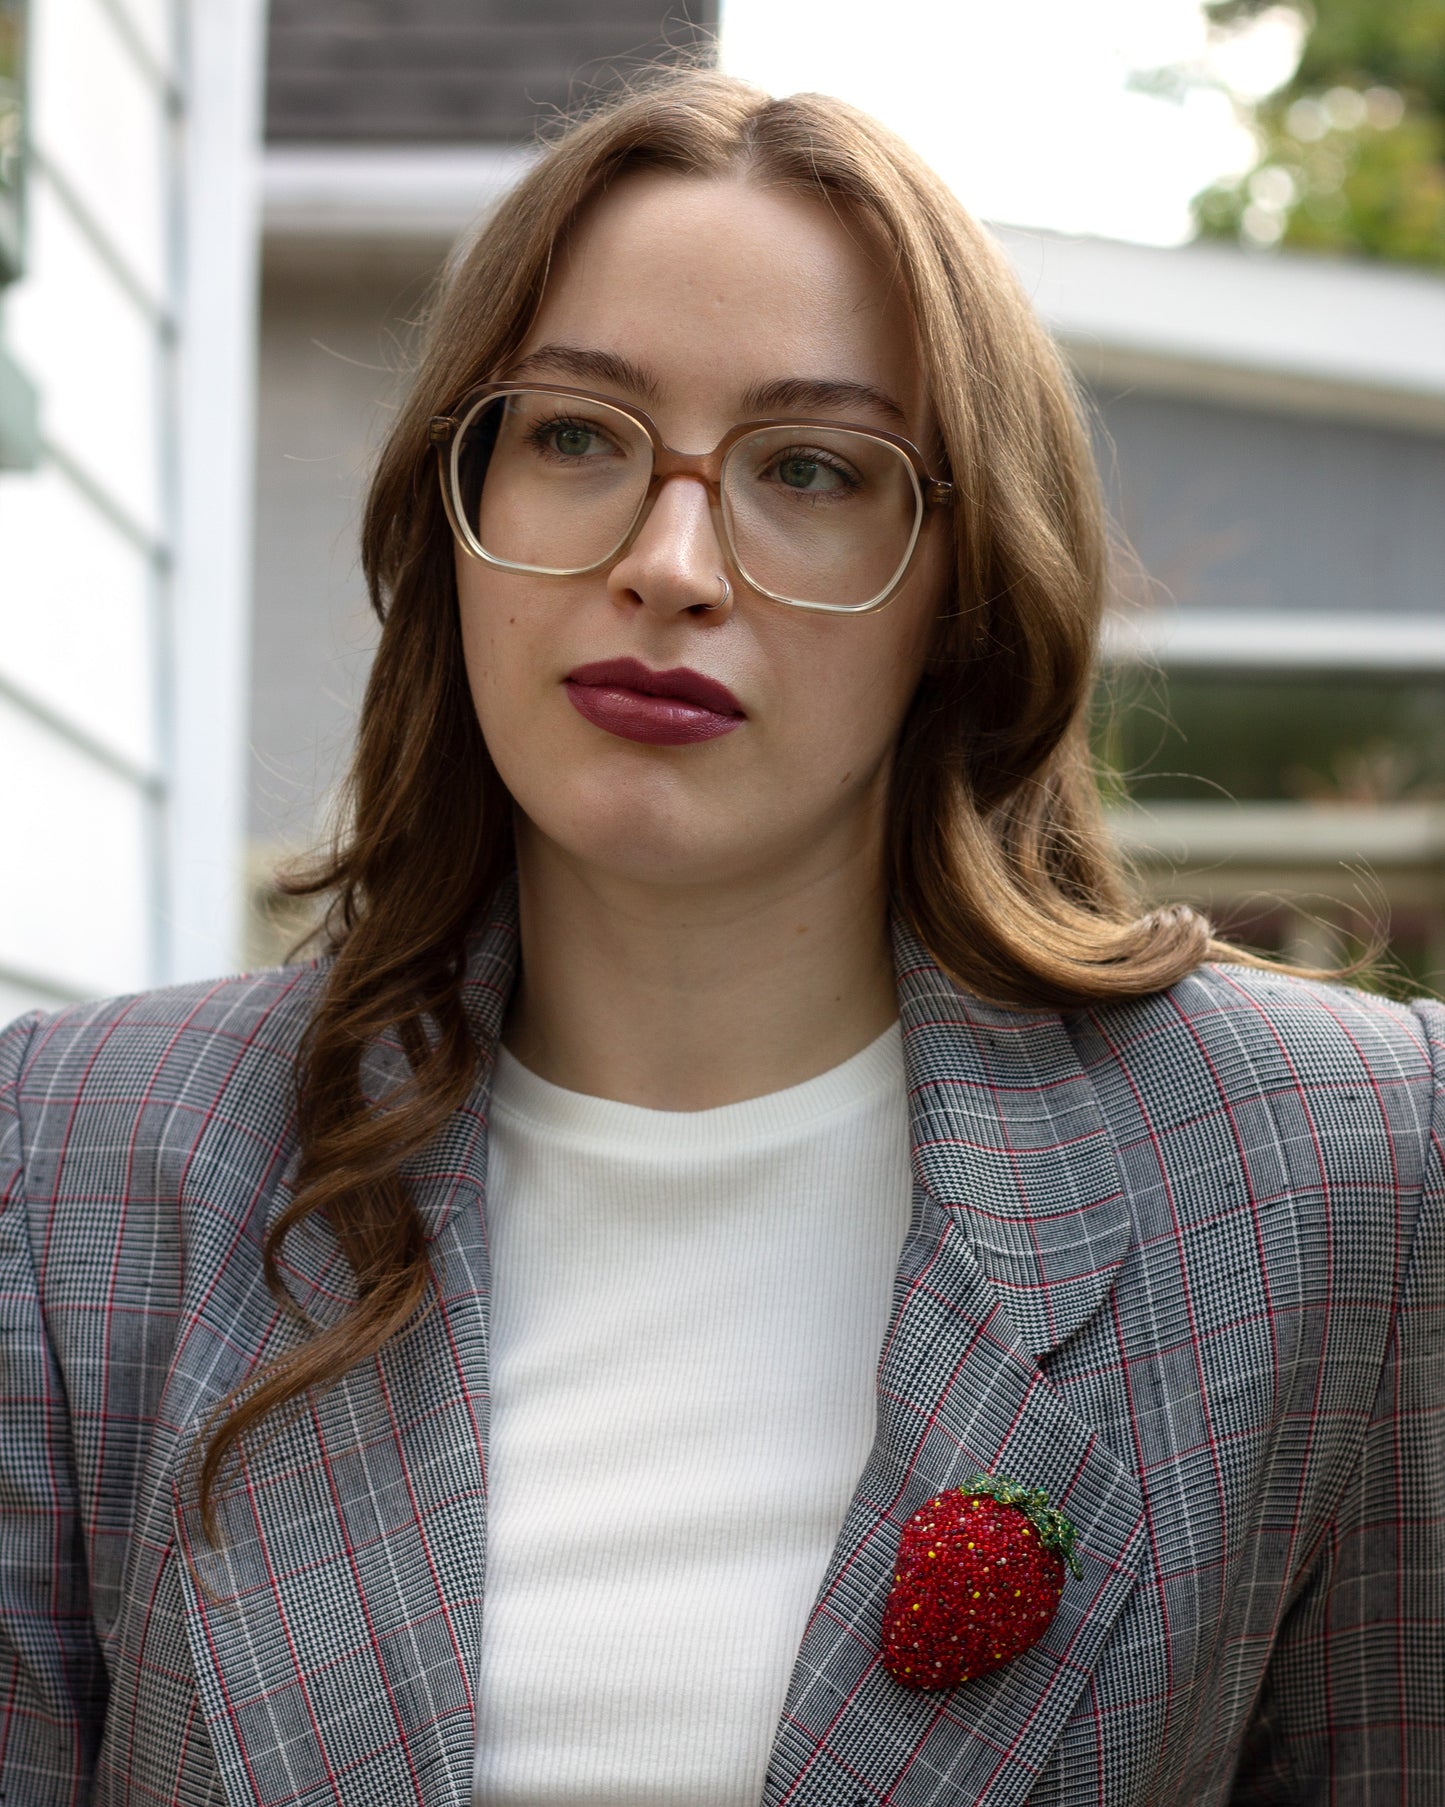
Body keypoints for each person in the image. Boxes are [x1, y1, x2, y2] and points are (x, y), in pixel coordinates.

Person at [0, 68, 1440, 1807]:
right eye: (575, 436)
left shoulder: (1336, 1173)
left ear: (962, 589)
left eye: (811, 468)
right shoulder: (75, 1162)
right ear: (458, 510)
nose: (670, 562)